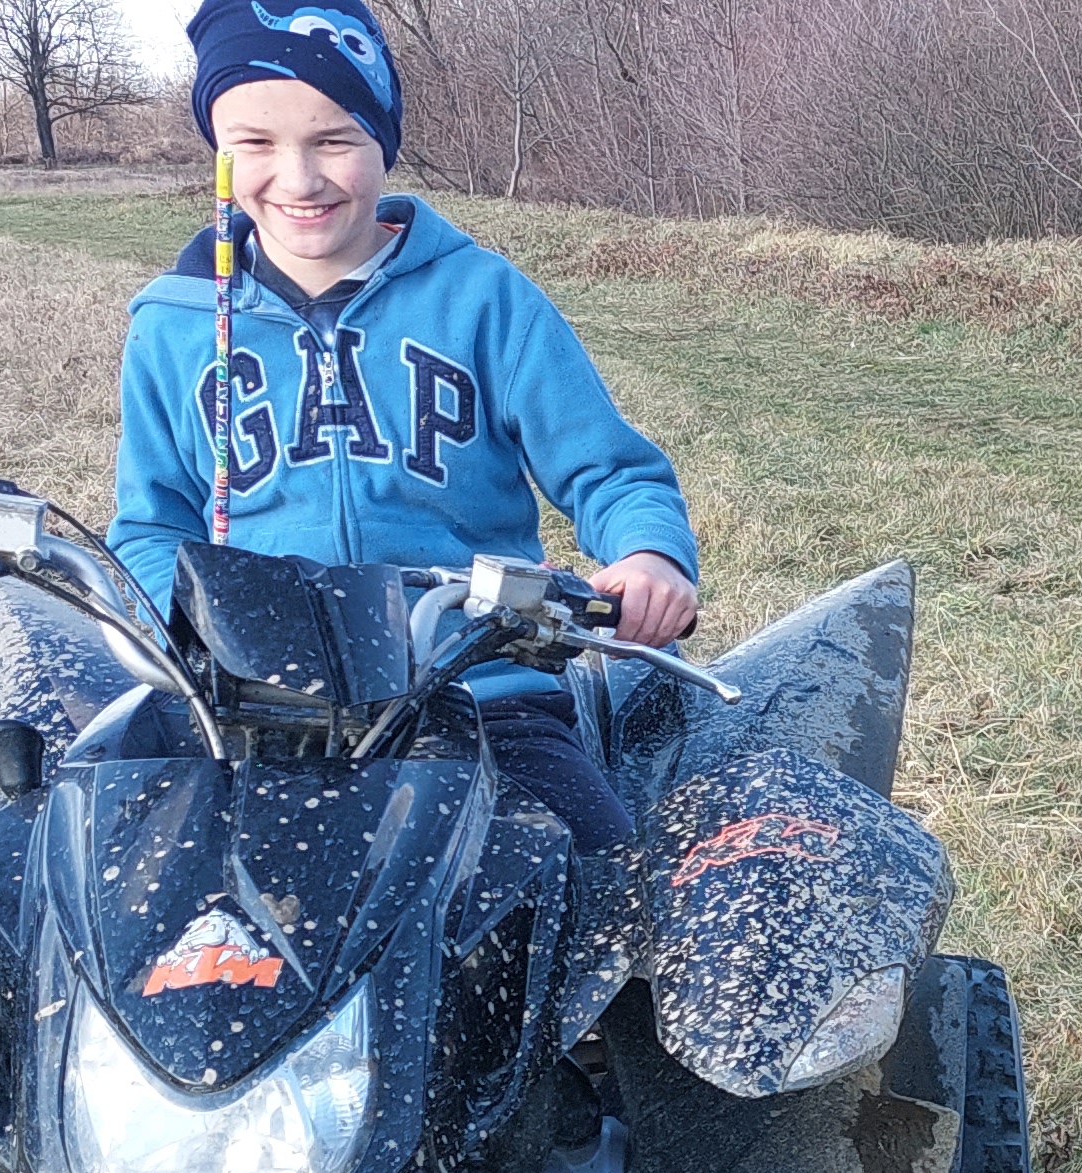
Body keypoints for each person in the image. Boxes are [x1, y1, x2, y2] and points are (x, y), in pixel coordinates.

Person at [109, 0, 692, 853]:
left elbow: (612, 472)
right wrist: (182, 623)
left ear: (383, 138)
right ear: (218, 154)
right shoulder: (173, 325)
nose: (299, 179)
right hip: (252, 711)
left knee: (607, 892)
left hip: (485, 697)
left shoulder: (486, 300)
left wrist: (648, 554)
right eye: (255, 145)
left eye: (334, 139)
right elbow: (152, 524)